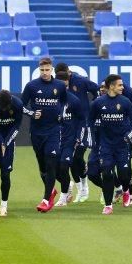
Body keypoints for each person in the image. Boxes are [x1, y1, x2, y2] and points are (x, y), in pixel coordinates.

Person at [21, 57, 67, 212]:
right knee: (42, 165)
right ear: (38, 70)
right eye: (42, 70)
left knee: (50, 162)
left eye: (47, 70)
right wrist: (32, 113)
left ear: (52, 69)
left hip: (54, 131)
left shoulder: (59, 86)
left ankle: (46, 200)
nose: (45, 73)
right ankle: (51, 190)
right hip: (36, 131)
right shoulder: (32, 86)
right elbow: (21, 106)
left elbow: (65, 103)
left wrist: (61, 115)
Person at [89, 74, 132, 215]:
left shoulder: (125, 101)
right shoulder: (98, 103)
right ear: (111, 86)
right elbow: (90, 122)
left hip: (122, 145)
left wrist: (129, 135)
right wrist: (92, 138)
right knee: (107, 174)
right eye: (120, 85)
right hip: (106, 145)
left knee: (124, 175)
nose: (122, 87)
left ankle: (126, 190)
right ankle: (108, 205)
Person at [54, 62, 99, 202]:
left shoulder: (81, 81)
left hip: (83, 125)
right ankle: (79, 188)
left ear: (69, 73)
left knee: (77, 158)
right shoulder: (57, 88)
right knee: (68, 161)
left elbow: (96, 90)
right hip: (65, 128)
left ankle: (84, 186)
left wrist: (96, 105)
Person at [54, 69, 85, 207]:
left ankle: (63, 197)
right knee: (53, 169)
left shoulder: (74, 101)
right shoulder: (51, 100)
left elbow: (81, 120)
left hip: (69, 140)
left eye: (65, 85)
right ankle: (68, 185)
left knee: (64, 166)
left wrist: (78, 137)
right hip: (53, 139)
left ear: (67, 85)